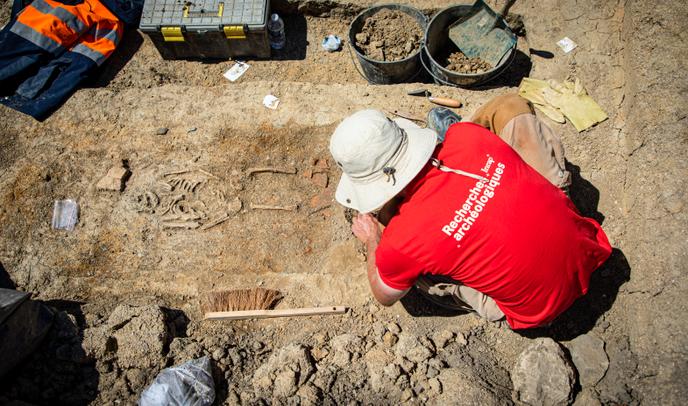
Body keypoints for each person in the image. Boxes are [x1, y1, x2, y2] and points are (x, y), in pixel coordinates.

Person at [329, 94, 612, 329]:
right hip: (586, 245)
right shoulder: (467, 136)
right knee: (510, 107)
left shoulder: (400, 243)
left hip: (536, 310)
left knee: (417, 276)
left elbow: (385, 295)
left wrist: (372, 239)